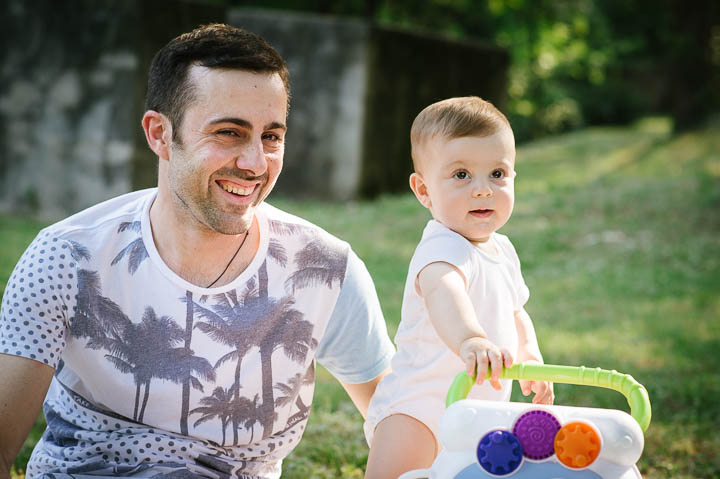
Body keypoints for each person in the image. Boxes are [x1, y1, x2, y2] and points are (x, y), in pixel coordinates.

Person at [0, 24, 395, 479]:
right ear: (159, 134)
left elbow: (392, 416)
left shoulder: (324, 268)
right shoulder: (66, 257)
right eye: (229, 132)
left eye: (271, 136)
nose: (254, 163)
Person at [363, 97, 555, 479]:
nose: (483, 190)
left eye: (498, 174)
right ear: (424, 190)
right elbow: (445, 293)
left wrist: (530, 353)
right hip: (417, 410)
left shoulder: (503, 250)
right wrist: (471, 339)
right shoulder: (442, 247)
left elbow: (516, 312)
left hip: (476, 412)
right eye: (462, 175)